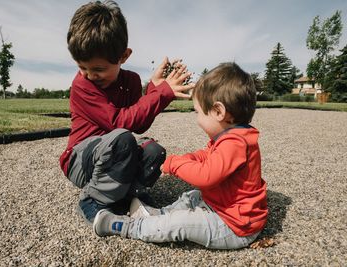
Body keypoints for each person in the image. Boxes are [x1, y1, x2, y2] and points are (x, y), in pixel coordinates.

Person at [92, 62, 268, 250]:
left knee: (181, 222)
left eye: (198, 112)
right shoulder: (233, 137)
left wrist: (175, 164)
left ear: (218, 112)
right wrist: (189, 158)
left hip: (233, 227)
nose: (197, 118)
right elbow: (207, 156)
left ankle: (127, 227)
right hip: (222, 208)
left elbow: (206, 176)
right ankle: (158, 215)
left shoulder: (235, 143)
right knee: (192, 196)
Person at [60, 0, 193, 225]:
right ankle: (93, 200)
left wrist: (153, 88)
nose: (89, 75)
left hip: (114, 151)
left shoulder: (131, 81)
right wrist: (162, 93)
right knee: (122, 139)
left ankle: (129, 195)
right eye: (82, 67)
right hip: (80, 161)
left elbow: (138, 124)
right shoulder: (82, 86)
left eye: (98, 69)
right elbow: (118, 122)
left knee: (153, 150)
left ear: (124, 56)